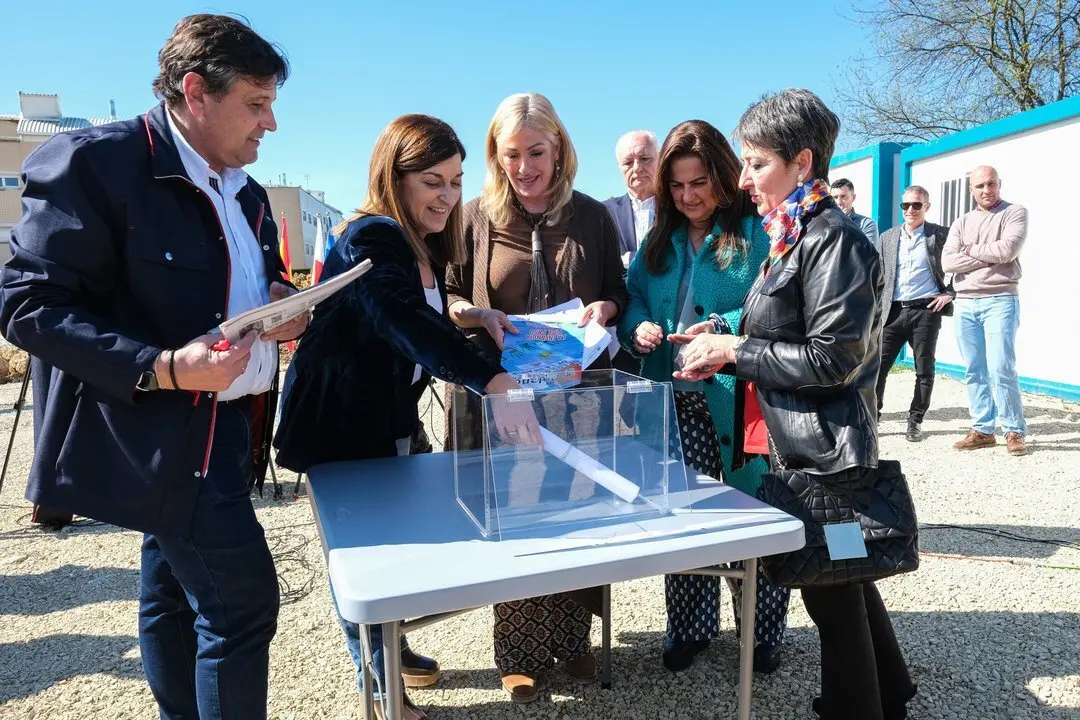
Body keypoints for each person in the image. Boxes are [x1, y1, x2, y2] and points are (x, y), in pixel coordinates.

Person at [0, 14, 305, 719]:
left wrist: (282, 306)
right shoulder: (95, 164)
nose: (271, 124)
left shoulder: (249, 193)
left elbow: (244, 289)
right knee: (242, 604)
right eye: (256, 104)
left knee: (172, 595)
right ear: (195, 92)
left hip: (232, 429)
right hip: (161, 435)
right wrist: (162, 367)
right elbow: (26, 305)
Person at [273, 114, 536, 720]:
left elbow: (424, 320)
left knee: (392, 554)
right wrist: (492, 379)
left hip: (387, 420)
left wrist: (474, 319)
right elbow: (397, 316)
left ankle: (391, 653)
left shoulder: (419, 241)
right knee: (362, 561)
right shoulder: (373, 236)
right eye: (432, 182)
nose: (448, 196)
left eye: (456, 181)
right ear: (395, 178)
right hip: (340, 426)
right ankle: (380, 691)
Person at [673, 89, 916, 720]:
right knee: (845, 576)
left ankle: (856, 708)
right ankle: (889, 692)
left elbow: (834, 359)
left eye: (757, 164)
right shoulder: (797, 233)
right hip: (804, 441)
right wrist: (725, 339)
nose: (743, 179)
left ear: (801, 162)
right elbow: (787, 333)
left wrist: (736, 352)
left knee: (830, 589)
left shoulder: (833, 240)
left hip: (824, 448)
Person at [445, 92, 627, 703]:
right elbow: (448, 296)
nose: (524, 167)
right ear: (495, 155)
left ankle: (573, 639)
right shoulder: (473, 217)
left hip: (578, 398)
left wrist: (606, 308)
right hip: (507, 399)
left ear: (559, 148)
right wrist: (478, 314)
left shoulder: (593, 216)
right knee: (517, 513)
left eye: (537, 152)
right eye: (511, 154)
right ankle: (519, 650)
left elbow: (618, 291)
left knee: (576, 512)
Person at [617, 120, 789, 674]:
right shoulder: (658, 240)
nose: (688, 196)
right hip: (674, 401)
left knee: (752, 511)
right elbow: (634, 297)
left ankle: (761, 632)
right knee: (685, 515)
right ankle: (689, 627)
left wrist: (721, 327)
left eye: (699, 183)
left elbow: (774, 305)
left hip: (739, 398)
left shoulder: (756, 233)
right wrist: (638, 328)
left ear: (722, 177)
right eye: (676, 185)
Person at [941, 165, 1029, 456]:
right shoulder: (961, 222)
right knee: (974, 369)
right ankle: (983, 429)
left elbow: (1008, 251)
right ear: (971, 190)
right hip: (965, 302)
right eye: (980, 186)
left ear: (999, 184)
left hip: (1000, 299)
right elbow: (948, 262)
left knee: (1001, 367)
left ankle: (1013, 430)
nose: (986, 190)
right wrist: (989, 256)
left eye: (991, 183)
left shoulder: (1014, 213)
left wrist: (968, 250)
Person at [876, 186, 953, 441]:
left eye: (916, 205)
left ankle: (915, 420)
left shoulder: (940, 235)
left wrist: (950, 293)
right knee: (877, 368)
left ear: (926, 207)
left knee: (924, 369)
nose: (910, 210)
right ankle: (872, 418)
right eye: (905, 205)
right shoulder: (887, 237)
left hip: (925, 311)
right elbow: (877, 275)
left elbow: (961, 267)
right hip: (893, 312)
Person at [603, 129, 660, 268]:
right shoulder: (603, 213)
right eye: (628, 162)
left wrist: (628, 258)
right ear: (619, 167)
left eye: (645, 159)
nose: (637, 168)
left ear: (660, 160)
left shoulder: (678, 207)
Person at [830, 178, 880, 251]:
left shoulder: (866, 224)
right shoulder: (825, 223)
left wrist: (844, 220)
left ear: (853, 197)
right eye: (835, 197)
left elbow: (868, 253)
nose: (839, 202)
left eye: (843, 196)